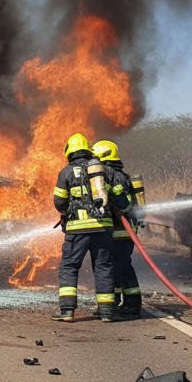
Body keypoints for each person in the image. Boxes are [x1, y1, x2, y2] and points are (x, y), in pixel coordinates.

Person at [51, 133, 116, 322]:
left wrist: (67, 212)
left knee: (69, 267)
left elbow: (59, 201)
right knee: (103, 267)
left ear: (69, 151)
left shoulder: (66, 172)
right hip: (103, 229)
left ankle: (67, 311)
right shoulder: (102, 169)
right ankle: (106, 313)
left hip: (77, 230)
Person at [92, 140, 142, 320]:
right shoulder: (111, 173)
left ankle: (132, 304)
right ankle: (112, 302)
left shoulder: (114, 175)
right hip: (115, 231)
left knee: (122, 267)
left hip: (121, 232)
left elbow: (124, 205)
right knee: (111, 268)